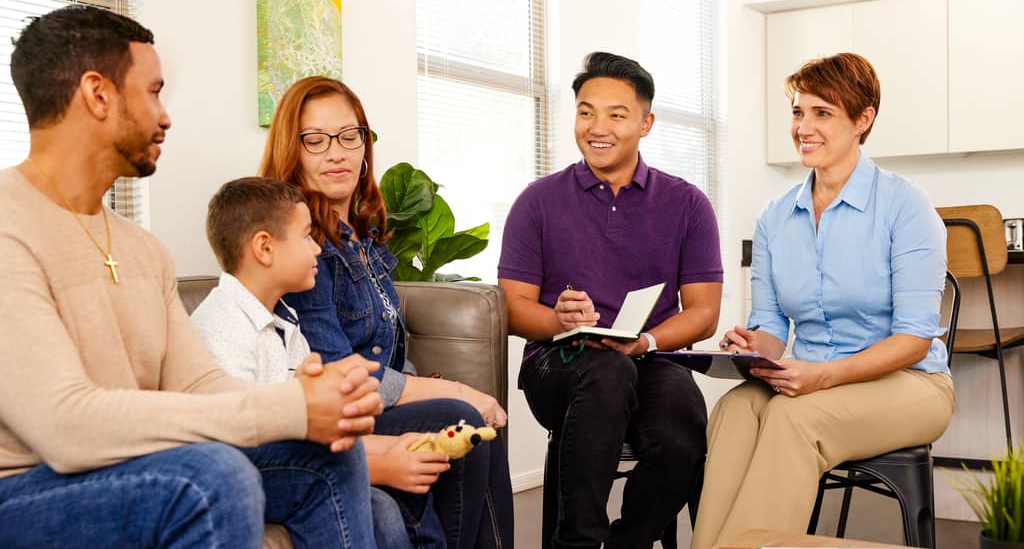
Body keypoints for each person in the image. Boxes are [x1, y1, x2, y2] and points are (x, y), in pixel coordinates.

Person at [0, 5, 383, 548]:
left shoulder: (141, 248)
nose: (165, 115)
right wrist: (287, 408)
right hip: (22, 491)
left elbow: (199, 384)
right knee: (210, 477)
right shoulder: (7, 226)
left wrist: (309, 397)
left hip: (130, 467)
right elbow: (65, 426)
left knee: (326, 457)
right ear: (97, 93)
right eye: (153, 91)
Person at [690, 53, 955, 548]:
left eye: (822, 113)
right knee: (734, 410)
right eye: (797, 112)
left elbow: (915, 340)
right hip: (808, 379)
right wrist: (749, 347)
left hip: (910, 385)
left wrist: (822, 377)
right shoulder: (775, 217)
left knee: (794, 417)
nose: (804, 127)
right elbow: (770, 328)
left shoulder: (905, 205)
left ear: (863, 119)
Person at [259, 75, 514, 549]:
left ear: (364, 144)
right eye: (315, 141)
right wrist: (452, 388)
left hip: (374, 403)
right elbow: (341, 371)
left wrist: (430, 387)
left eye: (349, 136)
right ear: (291, 152)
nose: (336, 153)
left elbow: (391, 354)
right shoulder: (301, 247)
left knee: (481, 423)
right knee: (461, 411)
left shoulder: (360, 239)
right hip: (340, 412)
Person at [498, 51, 724, 549]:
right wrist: (559, 321)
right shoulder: (538, 201)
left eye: (616, 115)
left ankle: (629, 541)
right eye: (585, 111)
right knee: (606, 372)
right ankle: (576, 541)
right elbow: (512, 307)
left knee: (682, 425)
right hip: (558, 362)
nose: (597, 127)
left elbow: (705, 312)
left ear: (646, 122)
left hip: (650, 357)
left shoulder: (687, 204)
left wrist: (645, 342)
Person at [191, 176, 448, 549]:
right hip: (239, 467)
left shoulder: (286, 324)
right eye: (307, 237)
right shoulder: (222, 326)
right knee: (380, 506)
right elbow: (241, 442)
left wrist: (392, 447)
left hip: (286, 459)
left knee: (391, 508)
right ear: (265, 248)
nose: (317, 249)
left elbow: (311, 428)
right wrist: (383, 462)